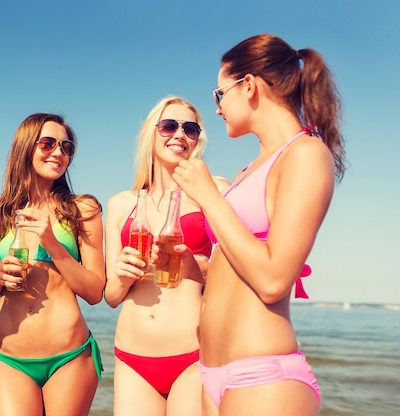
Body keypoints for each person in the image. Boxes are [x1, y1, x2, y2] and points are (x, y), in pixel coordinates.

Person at [169, 34, 346, 416]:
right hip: (212, 375)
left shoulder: (305, 155)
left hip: (261, 377)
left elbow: (272, 280)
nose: (216, 110)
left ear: (247, 86)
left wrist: (209, 197)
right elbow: (240, 263)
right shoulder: (247, 171)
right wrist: (199, 270)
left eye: (219, 95)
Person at [104, 96, 229, 416]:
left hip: (192, 352)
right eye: (169, 126)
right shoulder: (121, 203)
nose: (179, 135)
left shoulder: (214, 190)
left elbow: (235, 276)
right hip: (132, 356)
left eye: (190, 129)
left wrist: (194, 264)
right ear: (151, 132)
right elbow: (112, 296)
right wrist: (123, 274)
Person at [0, 113, 106, 416]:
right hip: (10, 358)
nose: (58, 152)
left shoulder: (82, 209)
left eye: (66, 146)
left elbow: (95, 291)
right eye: (48, 143)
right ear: (25, 148)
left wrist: (52, 244)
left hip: (69, 356)